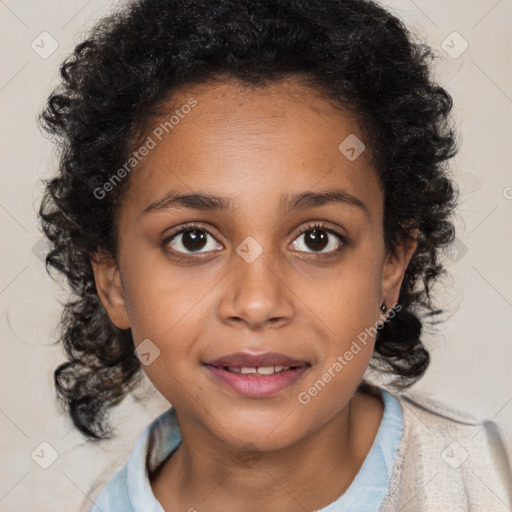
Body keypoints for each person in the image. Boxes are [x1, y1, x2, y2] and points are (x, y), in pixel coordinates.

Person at [37, 0, 512, 510]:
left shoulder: (484, 481)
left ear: (391, 266)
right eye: (193, 239)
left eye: (316, 239)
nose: (258, 302)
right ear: (112, 281)